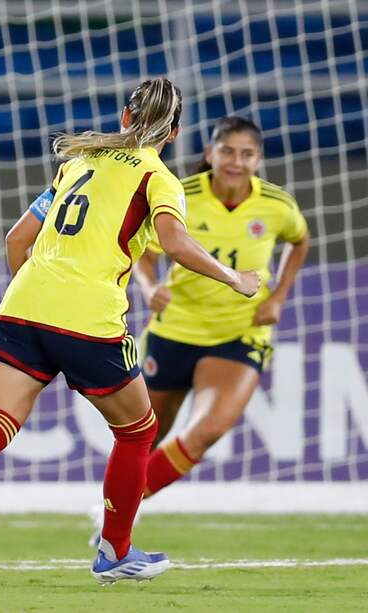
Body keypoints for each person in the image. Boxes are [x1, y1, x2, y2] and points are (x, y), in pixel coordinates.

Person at [0, 78, 261, 584]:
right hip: (88, 318)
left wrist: (34, 300)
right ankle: (115, 552)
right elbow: (174, 243)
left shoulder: (78, 162)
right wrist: (235, 278)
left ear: (125, 117)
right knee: (138, 431)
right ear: (174, 133)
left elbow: (16, 238)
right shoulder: (158, 178)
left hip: (24, 306)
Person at [133, 116, 310, 499]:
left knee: (206, 431)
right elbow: (142, 252)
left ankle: (114, 515)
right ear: (209, 153)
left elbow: (300, 240)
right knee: (144, 438)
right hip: (174, 327)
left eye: (247, 154)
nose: (236, 161)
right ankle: (119, 517)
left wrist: (278, 296)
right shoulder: (179, 195)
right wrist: (148, 287)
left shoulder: (277, 205)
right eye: (227, 150)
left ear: (258, 160)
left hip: (239, 331)